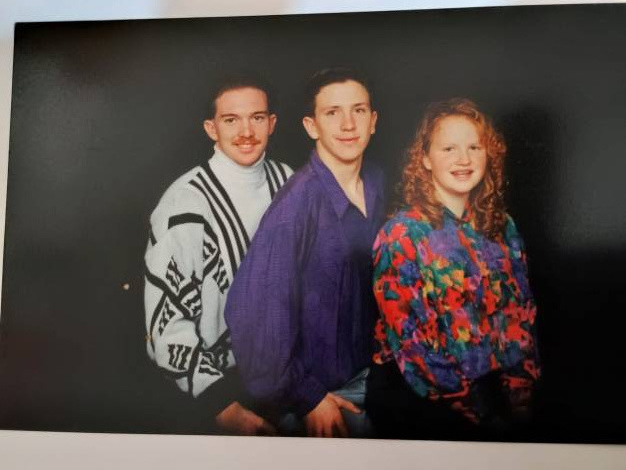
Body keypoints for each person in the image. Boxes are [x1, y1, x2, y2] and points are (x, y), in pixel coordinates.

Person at [225, 67, 385, 438]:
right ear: (312, 126)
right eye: (332, 113)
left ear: (373, 121)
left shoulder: (378, 182)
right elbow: (249, 316)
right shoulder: (295, 205)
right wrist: (308, 398)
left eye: (358, 110)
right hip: (319, 397)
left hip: (372, 378)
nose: (348, 124)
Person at [367, 98, 540, 440]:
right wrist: (483, 416)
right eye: (449, 148)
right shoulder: (401, 235)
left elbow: (521, 314)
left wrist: (520, 395)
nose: (464, 159)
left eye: (474, 147)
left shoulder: (502, 226)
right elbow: (414, 347)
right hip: (421, 398)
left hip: (493, 395)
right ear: (425, 159)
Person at [144, 74, 292, 435]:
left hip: (291, 377)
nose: (246, 132)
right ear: (211, 128)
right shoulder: (184, 205)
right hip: (222, 389)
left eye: (257, 117)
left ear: (272, 123)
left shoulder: (289, 182)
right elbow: (166, 326)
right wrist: (222, 405)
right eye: (231, 120)